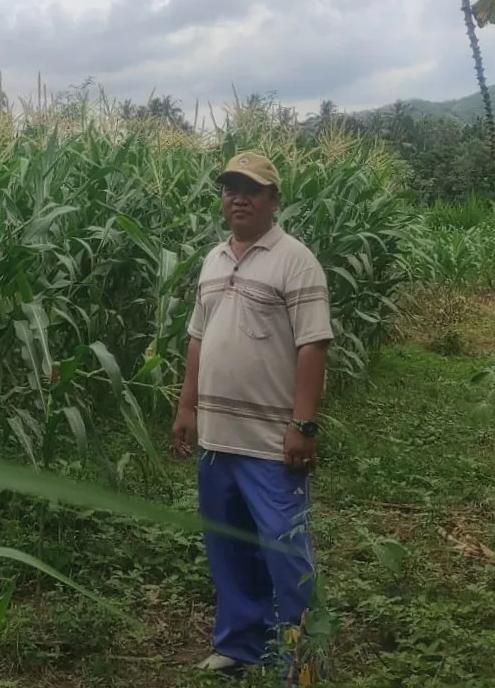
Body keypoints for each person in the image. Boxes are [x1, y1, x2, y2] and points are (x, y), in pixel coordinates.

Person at [171, 151, 334, 676]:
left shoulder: (294, 259)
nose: (238, 198)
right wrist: (186, 406)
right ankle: (241, 646)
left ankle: (302, 664)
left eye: (251, 189)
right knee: (229, 550)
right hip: (217, 438)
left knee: (287, 554)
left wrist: (302, 425)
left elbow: (313, 345)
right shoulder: (214, 259)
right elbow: (198, 338)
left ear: (273, 199)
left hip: (270, 442)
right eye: (229, 189)